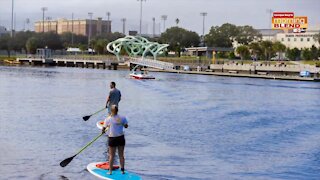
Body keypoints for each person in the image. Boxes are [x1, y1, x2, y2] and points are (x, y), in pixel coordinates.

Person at [102, 105, 128, 175]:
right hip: (121, 138)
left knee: (111, 156)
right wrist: (122, 124)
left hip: (112, 138)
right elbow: (126, 126)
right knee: (121, 155)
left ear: (111, 111)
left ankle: (110, 171)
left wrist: (103, 131)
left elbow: (103, 128)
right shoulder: (122, 117)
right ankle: (122, 170)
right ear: (117, 110)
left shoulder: (108, 119)